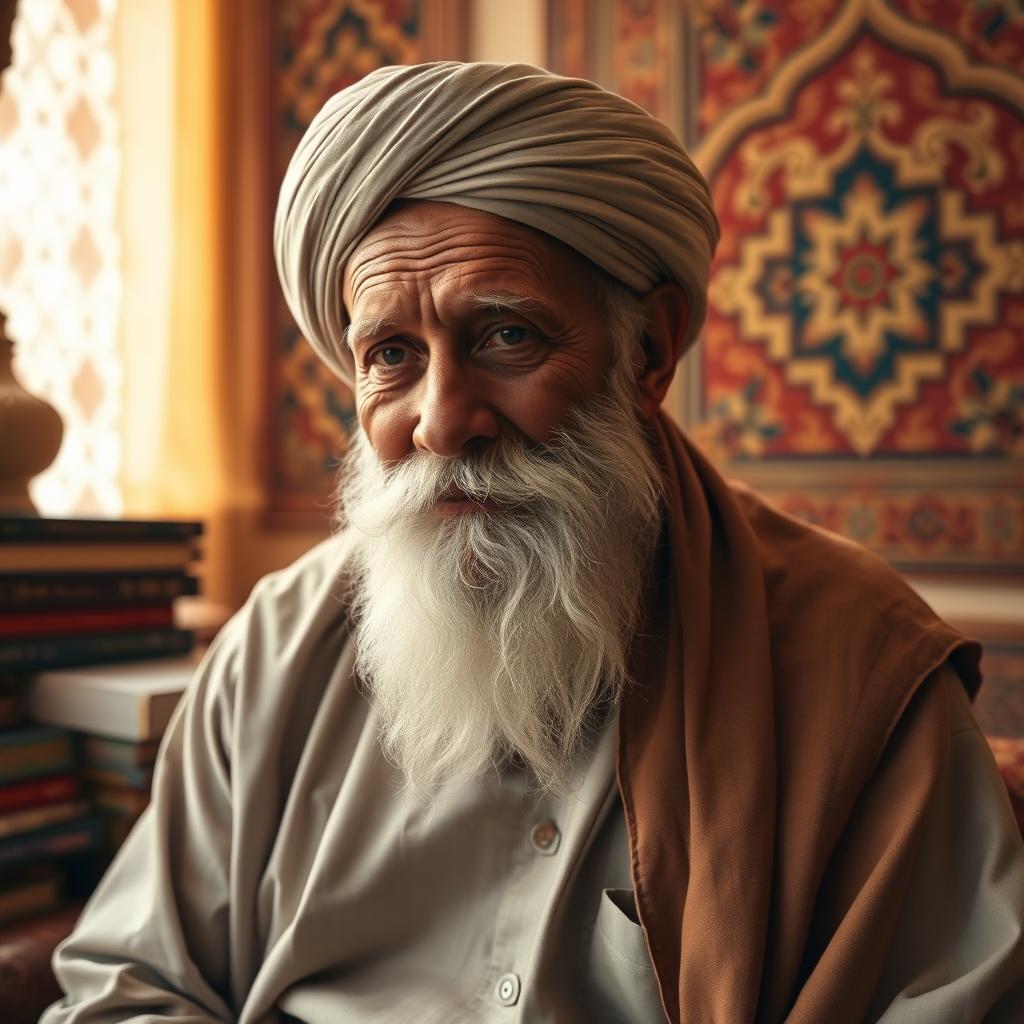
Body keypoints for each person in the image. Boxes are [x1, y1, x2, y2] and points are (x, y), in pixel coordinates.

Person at [43, 61, 1024, 1024]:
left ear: (646, 351)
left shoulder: (860, 661)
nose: (440, 420)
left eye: (505, 337)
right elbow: (128, 986)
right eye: (390, 356)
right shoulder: (276, 646)